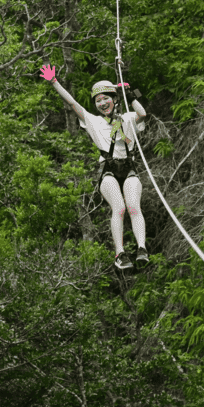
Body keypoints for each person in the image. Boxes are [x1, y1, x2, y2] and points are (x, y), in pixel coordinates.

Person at [40, 65, 148, 269]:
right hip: (107, 169)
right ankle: (120, 254)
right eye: (98, 101)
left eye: (106, 98)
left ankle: (141, 248)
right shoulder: (94, 121)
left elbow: (143, 113)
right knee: (119, 207)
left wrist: (131, 94)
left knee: (134, 207)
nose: (102, 103)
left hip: (129, 167)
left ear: (115, 100)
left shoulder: (127, 119)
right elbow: (72, 104)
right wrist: (54, 82)